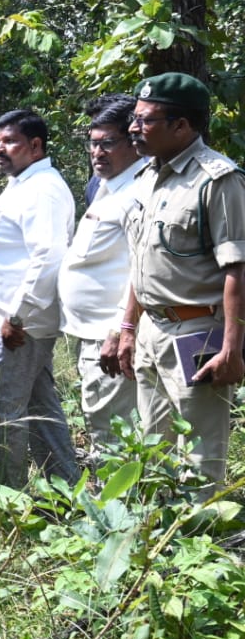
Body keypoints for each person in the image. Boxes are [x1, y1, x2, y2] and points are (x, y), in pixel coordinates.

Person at [108, 73, 245, 483]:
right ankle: (160, 541)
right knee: (153, 449)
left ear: (181, 126)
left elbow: (237, 269)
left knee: (200, 457)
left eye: (145, 120)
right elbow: (142, 260)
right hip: (152, 330)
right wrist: (128, 326)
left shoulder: (218, 180)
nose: (133, 128)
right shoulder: (147, 176)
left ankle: (202, 541)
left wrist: (233, 350)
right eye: (134, 118)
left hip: (198, 332)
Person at [0, 109, 79, 488]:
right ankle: (67, 493)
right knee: (40, 413)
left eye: (10, 142)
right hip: (9, 321)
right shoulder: (23, 183)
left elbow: (48, 255)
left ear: (35, 145)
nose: (0, 149)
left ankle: (7, 502)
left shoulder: (42, 189)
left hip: (15, 328)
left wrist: (17, 316)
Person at [57, 95, 144, 451]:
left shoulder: (141, 191)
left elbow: (143, 268)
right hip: (92, 335)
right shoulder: (104, 186)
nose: (97, 152)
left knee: (113, 433)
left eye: (108, 143)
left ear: (134, 143)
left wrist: (118, 330)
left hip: (112, 337)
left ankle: (116, 504)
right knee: (103, 424)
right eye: (93, 143)